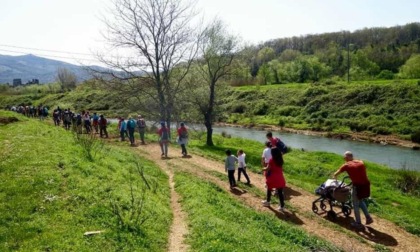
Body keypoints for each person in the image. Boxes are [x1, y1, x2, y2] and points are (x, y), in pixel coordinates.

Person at [333, 151, 373, 229]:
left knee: (355, 204)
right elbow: (360, 173)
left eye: (344, 158)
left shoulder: (346, 165)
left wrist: (335, 179)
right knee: (361, 200)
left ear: (346, 157)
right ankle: (368, 218)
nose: (344, 159)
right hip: (366, 185)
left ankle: (358, 223)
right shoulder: (360, 162)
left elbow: (336, 174)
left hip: (358, 186)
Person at [262, 147, 286, 211]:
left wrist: (263, 168)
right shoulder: (280, 159)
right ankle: (282, 206)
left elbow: (267, 168)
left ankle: (268, 202)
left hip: (273, 178)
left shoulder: (271, 160)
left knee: (269, 189)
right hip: (280, 178)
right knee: (280, 192)